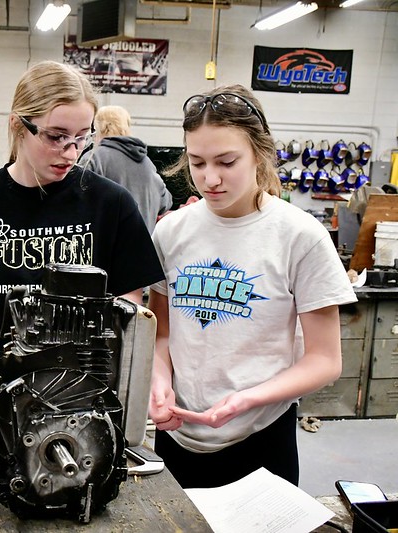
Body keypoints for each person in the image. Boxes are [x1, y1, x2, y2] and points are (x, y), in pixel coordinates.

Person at [0, 60, 165, 436]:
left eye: (82, 137)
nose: (70, 152)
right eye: (56, 136)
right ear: (19, 125)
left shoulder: (110, 206)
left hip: (79, 410)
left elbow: (128, 320)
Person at [147, 84, 356, 489]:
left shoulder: (299, 235)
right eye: (197, 162)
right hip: (178, 434)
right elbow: (162, 334)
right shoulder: (171, 231)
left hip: (261, 436)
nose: (210, 179)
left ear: (259, 153)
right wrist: (160, 384)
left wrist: (248, 398)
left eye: (227, 161)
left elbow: (325, 360)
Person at [80, 105, 172, 233]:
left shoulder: (94, 158)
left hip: (103, 249)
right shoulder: (147, 163)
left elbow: (74, 201)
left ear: (100, 127)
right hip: (142, 249)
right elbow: (166, 203)